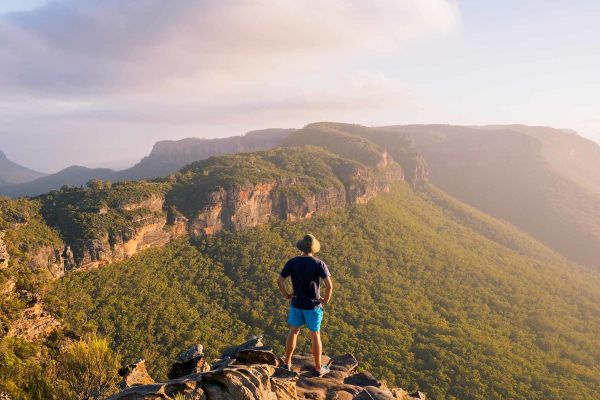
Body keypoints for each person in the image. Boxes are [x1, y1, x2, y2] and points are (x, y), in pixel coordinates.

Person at [277, 234, 333, 377]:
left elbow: (280, 280)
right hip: (313, 306)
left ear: (302, 247)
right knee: (315, 335)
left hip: (296, 304)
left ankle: (287, 363)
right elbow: (329, 286)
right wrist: (325, 300)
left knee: (293, 332)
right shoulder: (319, 263)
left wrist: (287, 295)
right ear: (313, 248)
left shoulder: (293, 262)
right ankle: (318, 368)